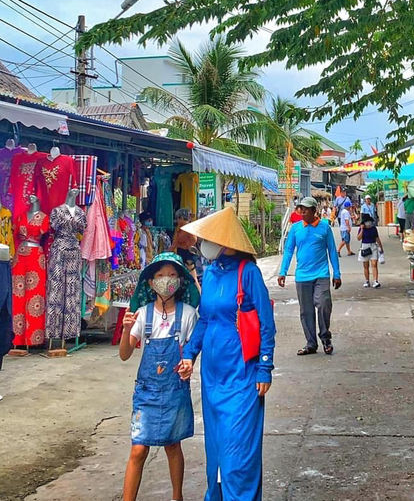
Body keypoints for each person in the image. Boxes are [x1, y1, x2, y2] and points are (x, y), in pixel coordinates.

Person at [177, 205, 276, 501]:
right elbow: (205, 319)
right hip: (212, 378)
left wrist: (265, 367)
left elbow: (266, 325)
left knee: (238, 455)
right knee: (217, 451)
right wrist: (189, 354)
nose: (202, 244)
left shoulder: (249, 274)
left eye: (209, 239)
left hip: (243, 376)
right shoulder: (210, 274)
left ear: (225, 243)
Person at [120, 252, 201, 501]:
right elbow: (125, 354)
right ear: (151, 282)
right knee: (138, 449)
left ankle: (177, 497)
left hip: (175, 390)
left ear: (181, 281)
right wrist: (125, 330)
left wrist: (189, 365)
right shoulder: (142, 314)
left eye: (173, 275)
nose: (167, 279)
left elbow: (191, 351)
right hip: (146, 393)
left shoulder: (188, 314)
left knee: (172, 445)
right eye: (161, 275)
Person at [278, 195, 341, 355]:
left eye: (306, 209)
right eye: (301, 208)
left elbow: (332, 251)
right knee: (306, 311)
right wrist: (283, 271)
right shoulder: (296, 228)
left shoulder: (325, 228)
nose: (302, 211)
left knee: (324, 304)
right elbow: (288, 251)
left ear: (314, 210)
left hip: (322, 274)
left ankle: (325, 337)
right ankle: (311, 343)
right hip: (302, 276)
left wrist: (337, 273)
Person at [358, 213, 384, 288]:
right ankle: (367, 280)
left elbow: (377, 238)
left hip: (373, 246)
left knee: (374, 263)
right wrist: (362, 229)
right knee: (366, 265)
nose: (368, 223)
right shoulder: (361, 229)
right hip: (365, 246)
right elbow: (358, 238)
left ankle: (375, 280)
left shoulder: (373, 229)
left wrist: (381, 247)